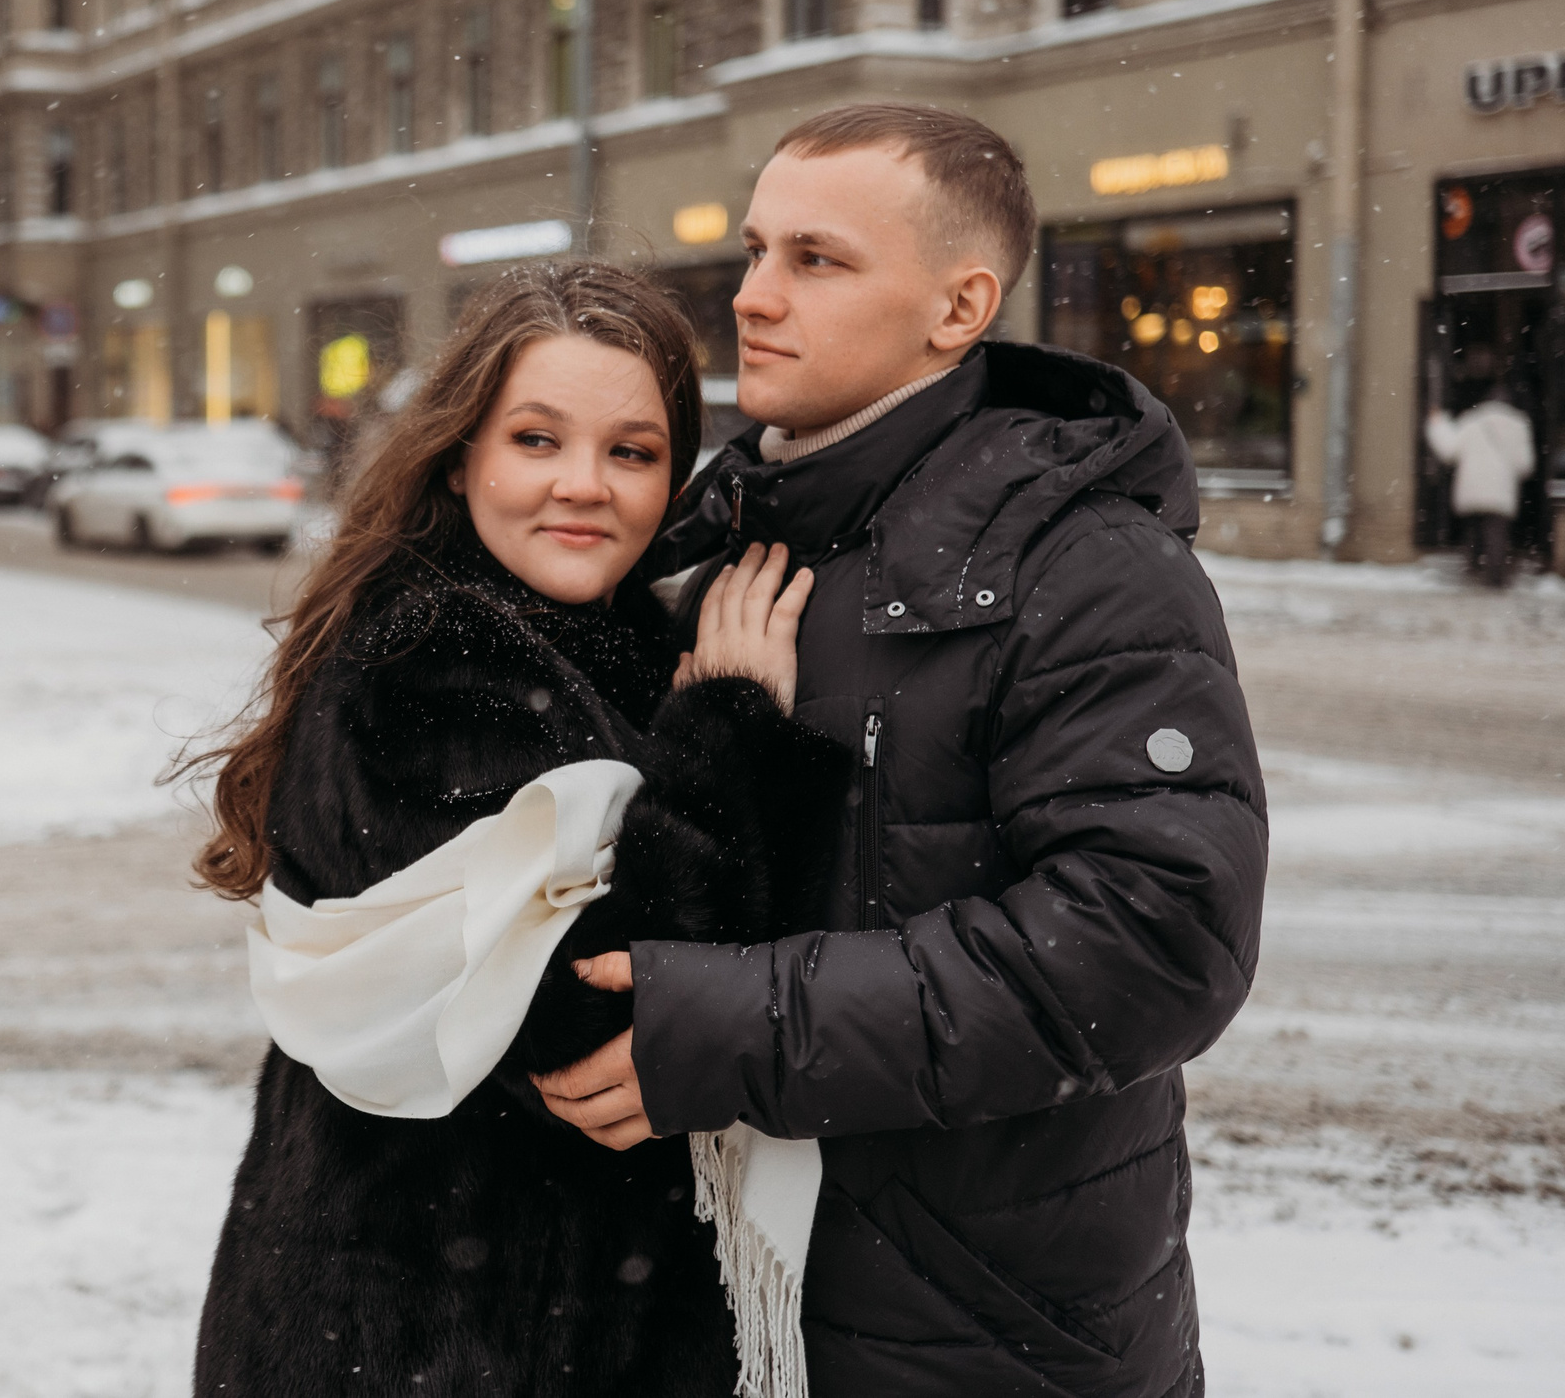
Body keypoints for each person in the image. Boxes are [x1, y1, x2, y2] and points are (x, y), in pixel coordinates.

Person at [533, 103, 1267, 1398]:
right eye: (756, 250)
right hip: (726, 1309)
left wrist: (728, 1031)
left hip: (981, 1332)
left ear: (956, 304)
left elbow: (1153, 942)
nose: (754, 295)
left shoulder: (1086, 561)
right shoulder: (713, 548)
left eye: (816, 259)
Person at [189, 263, 855, 1396]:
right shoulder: (429, 658)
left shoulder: (602, 637)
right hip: (431, 1333)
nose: (583, 487)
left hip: (504, 1314)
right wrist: (732, 725)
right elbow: (577, 1013)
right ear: (462, 456)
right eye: (536, 441)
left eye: (631, 452)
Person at [1426, 386, 1537, 588]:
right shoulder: (1519, 425)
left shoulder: (1472, 421)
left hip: (1471, 488)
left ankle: (1473, 572)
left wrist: (1437, 423)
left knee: (1473, 532)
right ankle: (1496, 577)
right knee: (1496, 535)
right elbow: (1525, 465)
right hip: (1500, 491)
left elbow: (1449, 449)